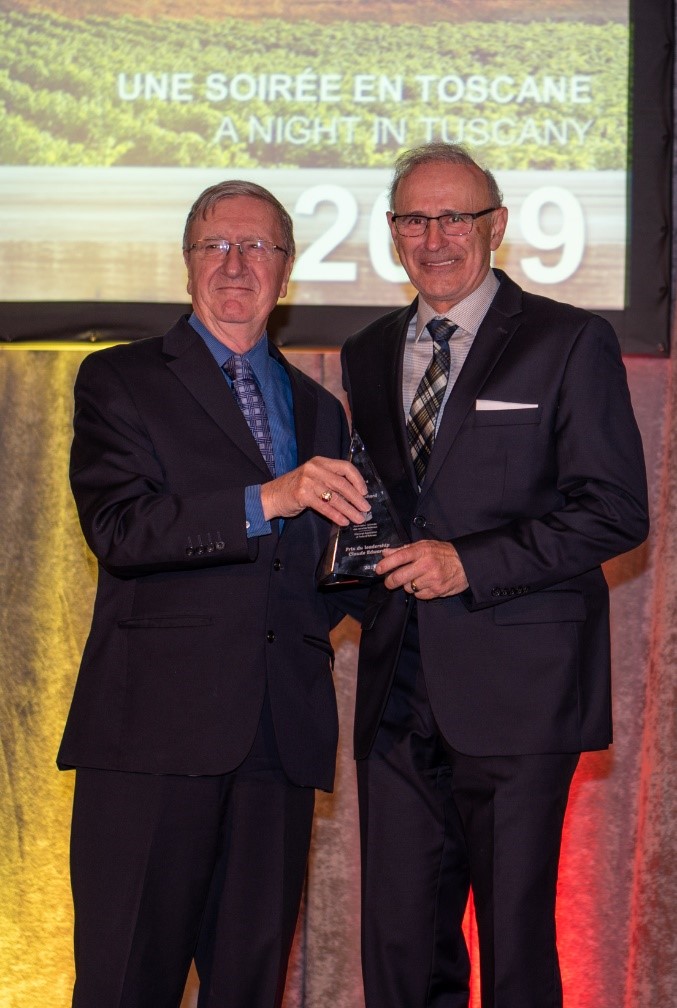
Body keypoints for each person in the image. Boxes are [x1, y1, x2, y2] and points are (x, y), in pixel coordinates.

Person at [340, 143, 649, 1008]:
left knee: (514, 943)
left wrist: (466, 565)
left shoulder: (567, 340)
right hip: (396, 691)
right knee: (399, 944)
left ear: (497, 227)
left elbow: (615, 510)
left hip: (520, 693)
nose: (434, 238)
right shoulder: (365, 351)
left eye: (455, 217)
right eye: (413, 218)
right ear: (392, 232)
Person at [57, 179, 369, 1008]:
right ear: (187, 263)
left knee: (249, 988)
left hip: (279, 738)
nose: (235, 264)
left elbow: (316, 572)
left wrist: (392, 570)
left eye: (257, 247)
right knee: (128, 983)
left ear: (288, 268)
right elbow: (121, 531)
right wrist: (270, 498)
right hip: (152, 739)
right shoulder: (118, 380)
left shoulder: (320, 409)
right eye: (215, 247)